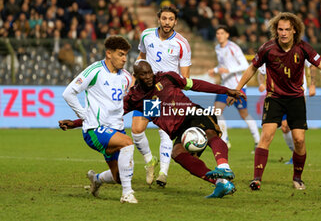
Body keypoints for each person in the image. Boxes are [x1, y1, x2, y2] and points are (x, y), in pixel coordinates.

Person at [62, 59, 246, 198]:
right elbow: (107, 116)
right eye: (143, 74)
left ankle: (224, 167)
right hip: (178, 130)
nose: (148, 77)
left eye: (149, 72)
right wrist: (75, 122)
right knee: (177, 153)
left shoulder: (167, 77)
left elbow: (195, 84)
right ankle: (220, 183)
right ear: (136, 76)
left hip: (193, 113)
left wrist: (224, 90)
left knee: (209, 132)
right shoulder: (135, 98)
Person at [235, 12, 321, 191]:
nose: (283, 33)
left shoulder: (304, 48)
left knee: (299, 140)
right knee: (266, 136)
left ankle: (297, 178)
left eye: (287, 29)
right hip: (274, 98)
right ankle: (257, 178)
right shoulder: (267, 48)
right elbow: (252, 68)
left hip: (296, 99)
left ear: (294, 30)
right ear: (276, 30)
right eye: (280, 29)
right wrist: (237, 89)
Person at [60, 35, 137, 203]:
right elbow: (68, 93)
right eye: (121, 54)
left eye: (126, 55)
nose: (125, 59)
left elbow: (115, 108)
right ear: (109, 53)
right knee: (127, 143)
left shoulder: (125, 77)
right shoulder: (94, 71)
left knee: (118, 176)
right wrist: (83, 117)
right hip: (95, 130)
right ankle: (127, 194)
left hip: (115, 129)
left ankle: (97, 179)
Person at [132, 6, 191, 188]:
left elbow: (185, 76)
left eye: (171, 19)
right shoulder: (146, 35)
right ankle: (150, 160)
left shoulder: (182, 43)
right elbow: (141, 58)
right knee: (136, 130)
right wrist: (135, 81)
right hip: (147, 90)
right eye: (164, 18)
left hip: (166, 94)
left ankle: (163, 173)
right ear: (159, 19)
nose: (167, 22)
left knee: (164, 131)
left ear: (176, 22)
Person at [208, 25, 260, 151]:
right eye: (218, 33)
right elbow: (222, 65)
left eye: (222, 33)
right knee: (217, 112)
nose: (219, 35)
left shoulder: (234, 48)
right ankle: (225, 140)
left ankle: (258, 141)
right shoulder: (217, 48)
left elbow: (244, 65)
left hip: (237, 87)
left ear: (227, 35)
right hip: (224, 86)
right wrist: (215, 70)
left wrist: (228, 70)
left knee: (244, 114)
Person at [257, 60, 317, 164]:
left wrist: (312, 84)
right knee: (284, 127)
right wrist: (261, 84)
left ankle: (298, 155)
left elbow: (313, 66)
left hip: (298, 95)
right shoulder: (271, 51)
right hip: (279, 96)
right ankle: (295, 155)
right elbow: (260, 73)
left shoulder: (299, 48)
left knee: (294, 129)